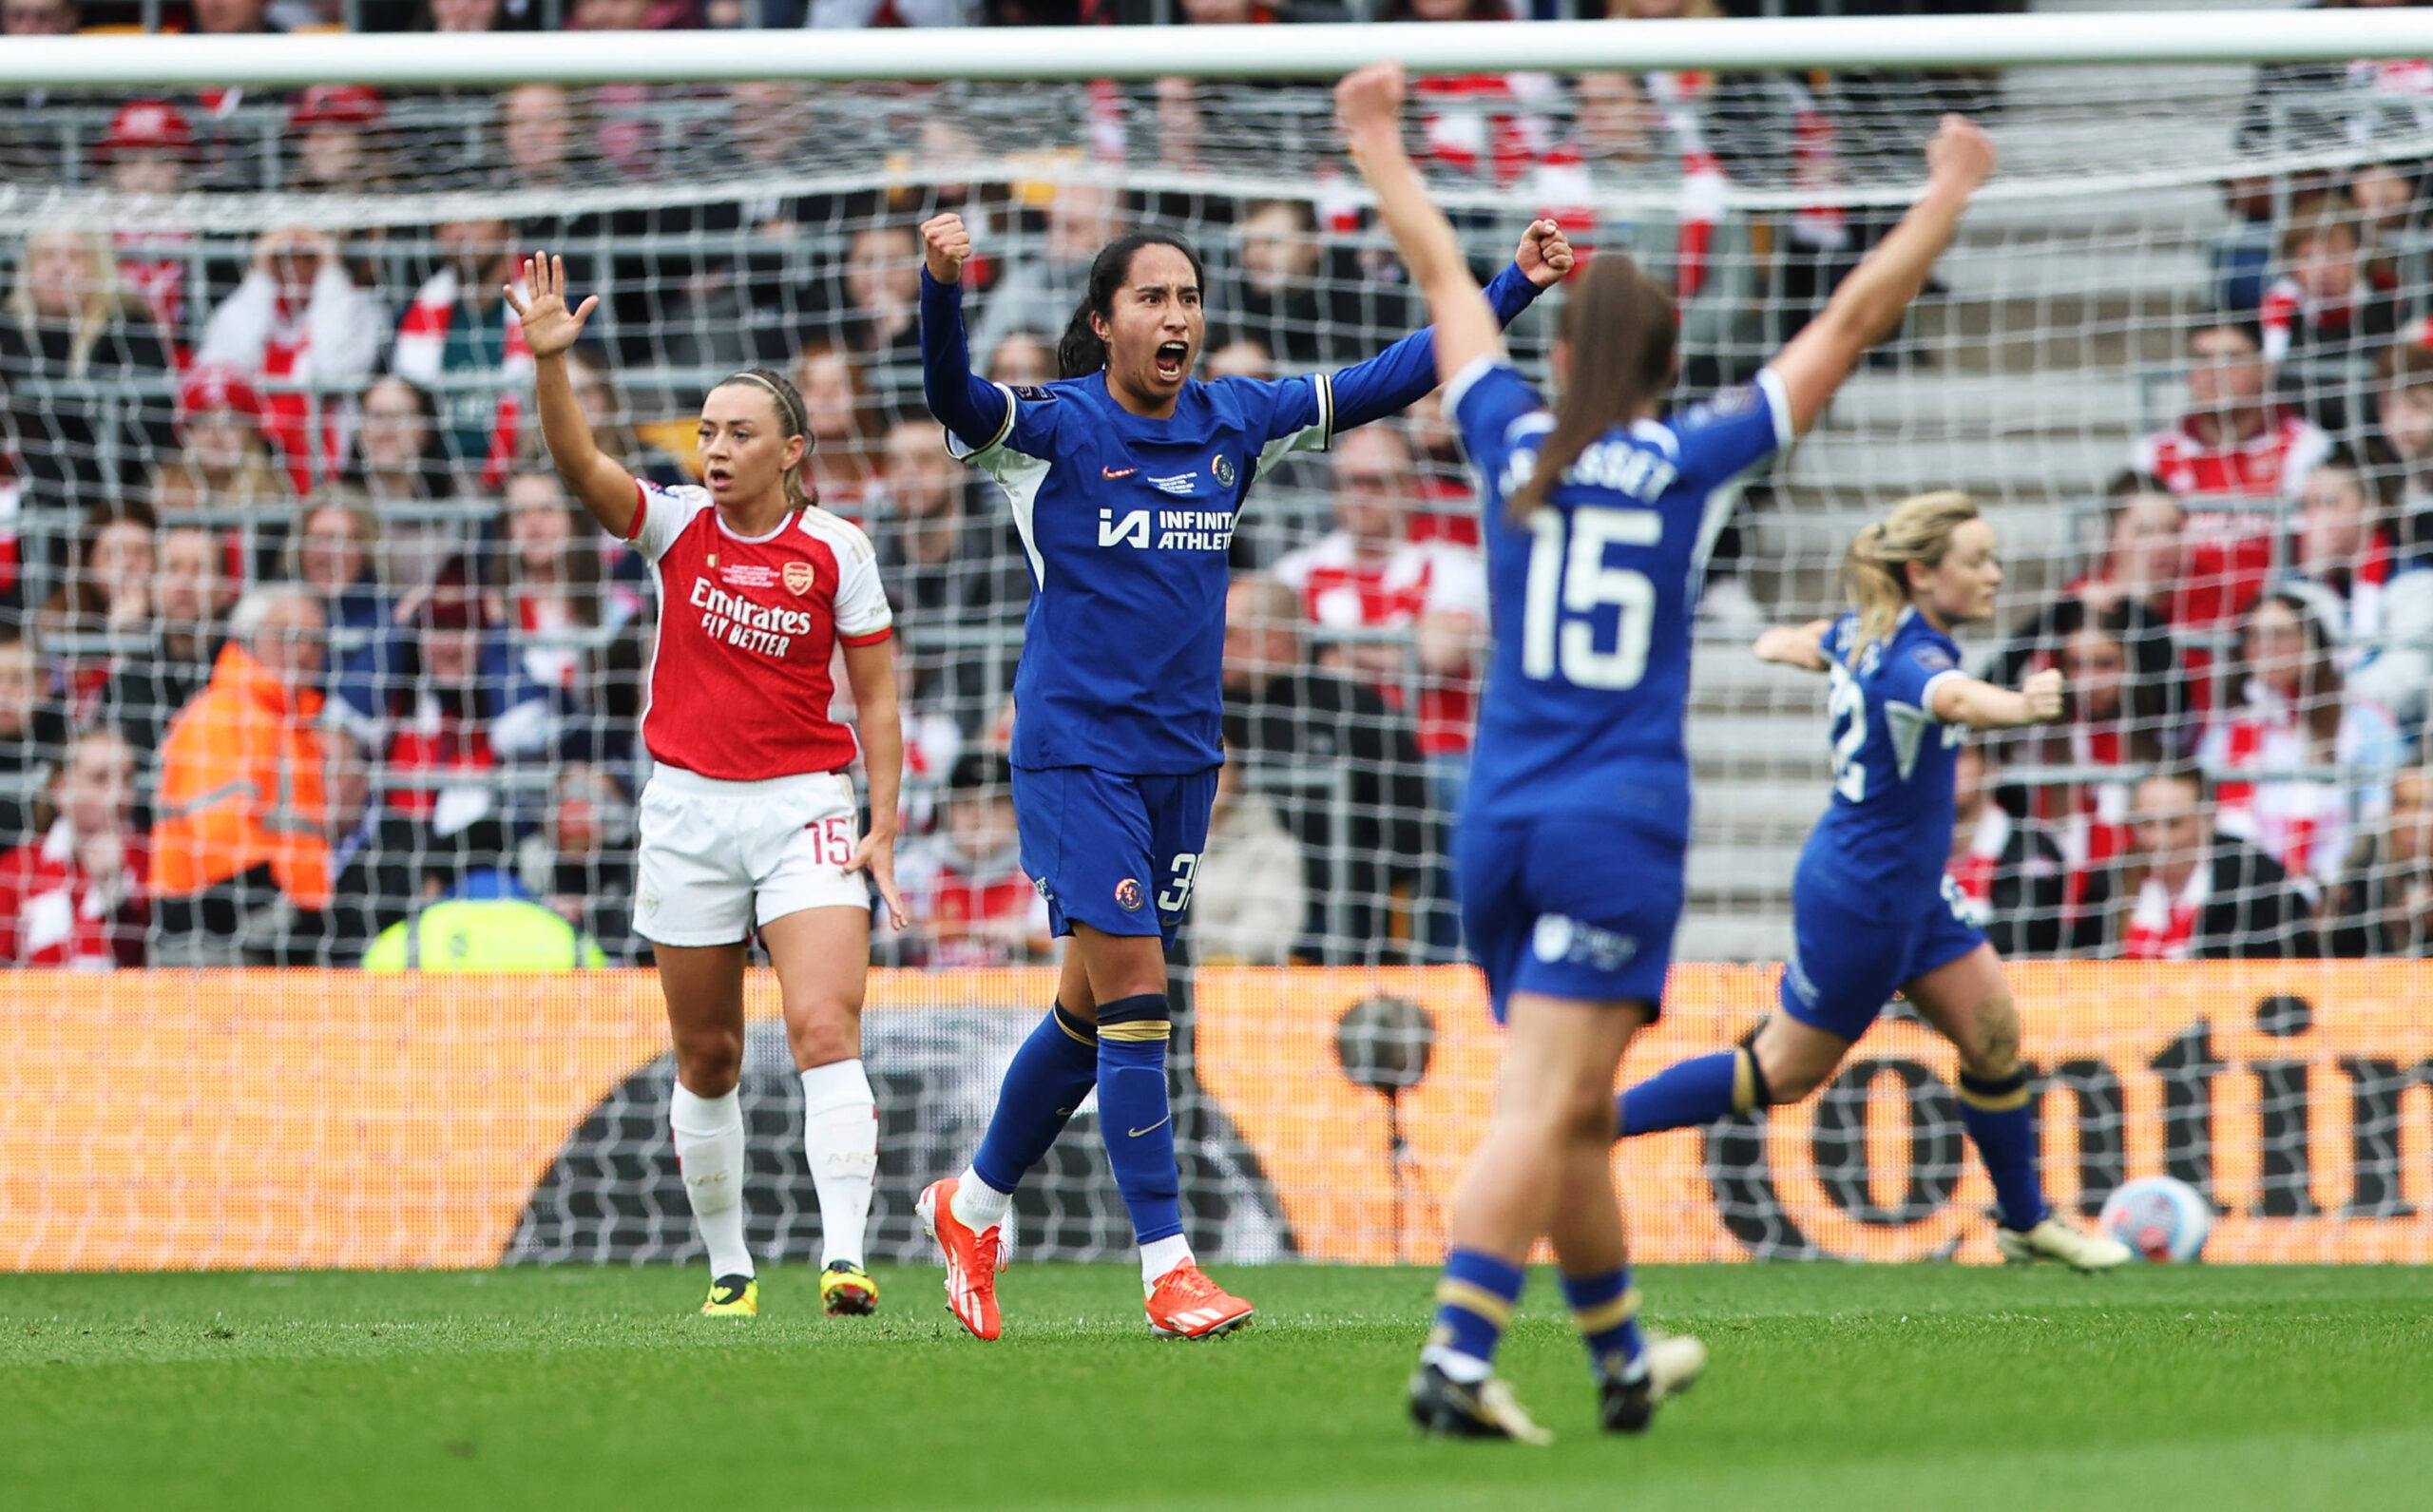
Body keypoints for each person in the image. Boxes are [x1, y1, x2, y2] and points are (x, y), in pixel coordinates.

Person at [1340, 62, 2015, 1441]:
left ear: (1566, 357)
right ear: (1667, 361)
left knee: (1573, 1101)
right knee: (1541, 1102)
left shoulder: (1508, 431)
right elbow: (1854, 316)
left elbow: (1444, 281)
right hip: (1615, 825)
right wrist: (1943, 196)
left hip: (1497, 820)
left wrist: (1379, 146)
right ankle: (1459, 1354)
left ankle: (1621, 1356)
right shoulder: (1695, 458)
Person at [910, 163, 1573, 1344]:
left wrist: (1510, 286)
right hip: (1076, 759)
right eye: (1152, 298)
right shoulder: (1053, 431)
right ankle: (1168, 1267)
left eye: (1189, 297)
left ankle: (970, 1204)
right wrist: (941, 288)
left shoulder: (1235, 419)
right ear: (1103, 321)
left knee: (1084, 1013)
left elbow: (1391, 378)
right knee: (1141, 1000)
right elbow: (954, 397)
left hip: (1183, 765)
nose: (1176, 316)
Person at [510, 251, 908, 1321]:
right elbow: (580, 464)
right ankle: (730, 1267)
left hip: (805, 810)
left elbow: (875, 698)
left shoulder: (835, 550)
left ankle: (843, 1257)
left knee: (826, 1025)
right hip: (687, 811)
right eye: (706, 431)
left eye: (738, 432)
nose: (716, 447)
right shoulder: (674, 525)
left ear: (793, 448)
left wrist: (884, 817)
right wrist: (554, 363)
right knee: (709, 1053)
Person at [1616, 493, 2134, 1274]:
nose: (1994, 575)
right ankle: (1589, 1124)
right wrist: (2022, 705)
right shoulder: (1916, 657)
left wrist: (1779, 643)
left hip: (1913, 889)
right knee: (1781, 1072)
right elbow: (1955, 697)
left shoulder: (1866, 634)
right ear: (1923, 574)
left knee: (1993, 1039)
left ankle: (2026, 1219)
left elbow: (1791, 643)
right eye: (1977, 562)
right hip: (1861, 895)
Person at [149, 586, 335, 966]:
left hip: (272, 937)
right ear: (250, 638)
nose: (304, 650)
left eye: (315, 641)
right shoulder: (224, 715)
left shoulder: (290, 726)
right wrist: (286, 919)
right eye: (287, 635)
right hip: (218, 942)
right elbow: (221, 842)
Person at [2196, 588, 2404, 892]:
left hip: (2343, 889)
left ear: (2311, 642)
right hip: (2245, 892)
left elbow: (2383, 810)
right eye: (2254, 636)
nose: (2266, 647)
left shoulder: (2362, 722)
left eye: (2280, 634)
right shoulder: (2224, 731)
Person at [2132, 319, 2331, 626]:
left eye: (2232, 358)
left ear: (2264, 368)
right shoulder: (2153, 454)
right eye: (2202, 359)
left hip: (2273, 633)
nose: (2215, 373)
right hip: (2170, 627)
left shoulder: (2305, 447)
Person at [194, 224, 386, 494]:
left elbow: (333, 367)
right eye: (281, 258)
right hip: (252, 470)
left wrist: (331, 274)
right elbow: (224, 373)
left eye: (308, 258)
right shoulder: (245, 308)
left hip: (333, 468)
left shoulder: (357, 308)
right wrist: (259, 278)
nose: (294, 268)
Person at [2118, 767, 2322, 959]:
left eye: (2173, 824)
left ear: (2208, 818)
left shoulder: (2255, 880)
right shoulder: (2112, 883)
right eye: (2146, 824)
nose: (2156, 839)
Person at [0, 727, 147, 968]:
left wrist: (116, 896)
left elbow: (146, 961)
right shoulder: (18, 867)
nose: (119, 793)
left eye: (128, 777)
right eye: (100, 778)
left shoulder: (152, 856)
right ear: (61, 789)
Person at [891, 751, 1052, 968]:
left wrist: (1024, 937)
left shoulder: (1042, 873)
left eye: (993, 802)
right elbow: (885, 944)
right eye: (966, 802)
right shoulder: (914, 871)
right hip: (929, 998)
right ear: (948, 809)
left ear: (1017, 811)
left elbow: (1055, 950)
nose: (978, 814)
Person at [1945, 742, 2072, 959]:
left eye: (1961, 756)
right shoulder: (1905, 848)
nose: (1946, 767)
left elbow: (2021, 940)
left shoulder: (2033, 850)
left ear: (1991, 767)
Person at [1187, 750, 1305, 967]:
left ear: (1238, 777)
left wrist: (1193, 941)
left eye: (1217, 770)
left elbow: (1269, 934)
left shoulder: (1272, 847)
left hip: (1245, 988)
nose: (1205, 781)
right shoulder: (1158, 841)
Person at [2327, 762, 2433, 958]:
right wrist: (2335, 926)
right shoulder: (2364, 871)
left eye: (2426, 806)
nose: (2411, 818)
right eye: (2402, 803)